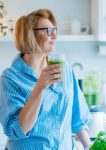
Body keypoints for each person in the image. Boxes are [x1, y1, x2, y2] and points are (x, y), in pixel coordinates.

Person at [0, 9, 92, 150]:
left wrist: (90, 147)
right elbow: (18, 130)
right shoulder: (10, 78)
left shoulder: (64, 69)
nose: (54, 35)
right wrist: (40, 86)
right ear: (30, 34)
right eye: (48, 31)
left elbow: (77, 117)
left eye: (54, 30)